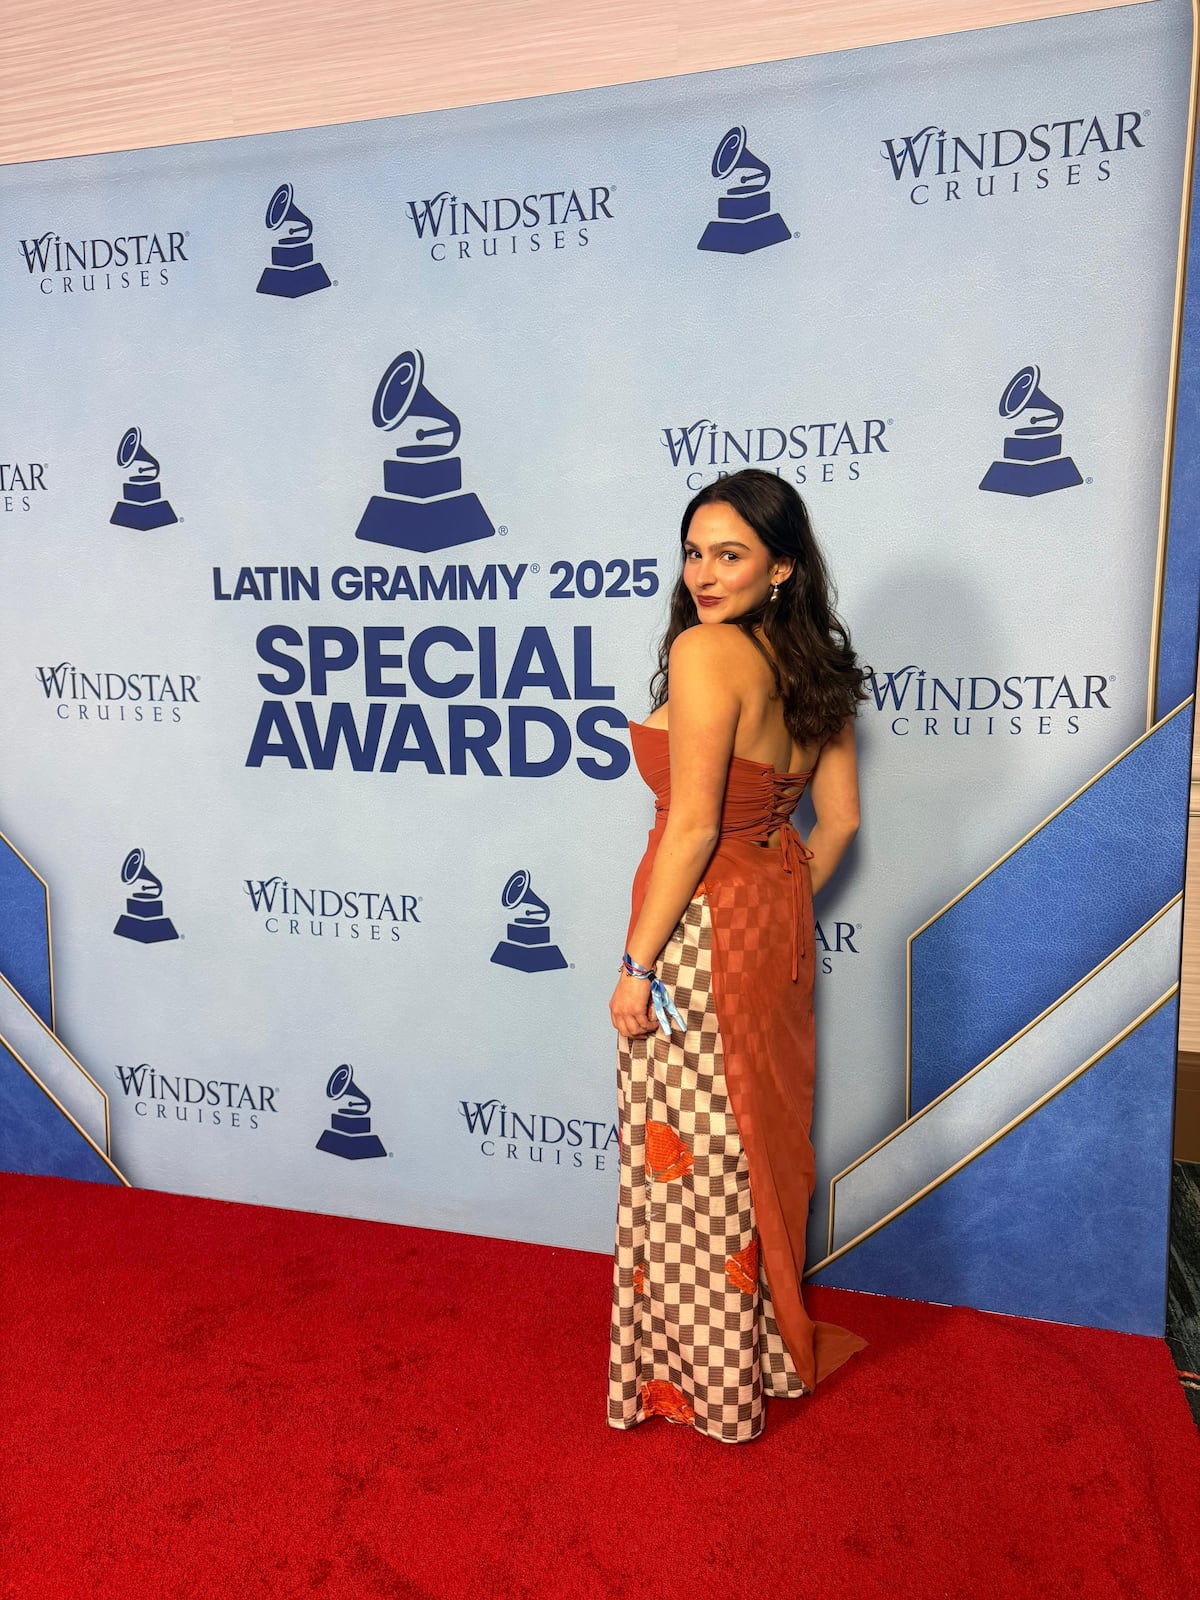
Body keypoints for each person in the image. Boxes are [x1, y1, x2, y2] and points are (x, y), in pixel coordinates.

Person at [607, 467, 868, 1444]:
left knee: (693, 1160)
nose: (705, 573)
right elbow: (836, 822)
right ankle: (753, 1351)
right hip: (772, 932)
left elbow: (692, 827)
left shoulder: (707, 651)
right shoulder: (817, 668)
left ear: (782, 566)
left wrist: (637, 965)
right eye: (694, 551)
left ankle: (703, 1385)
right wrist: (776, 886)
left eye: (731, 554)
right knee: (747, 1135)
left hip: (698, 932)